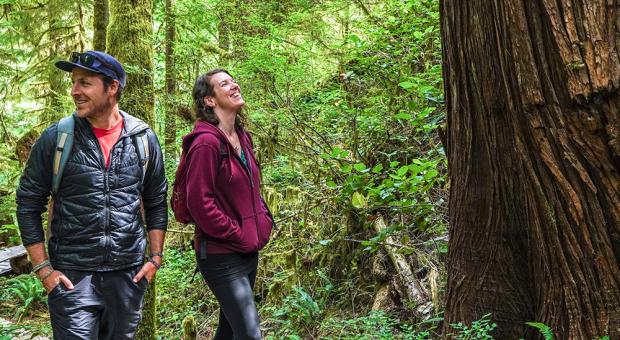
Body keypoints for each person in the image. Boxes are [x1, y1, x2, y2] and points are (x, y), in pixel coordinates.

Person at [16, 51, 168, 339]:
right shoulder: (57, 139)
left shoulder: (142, 139)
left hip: (128, 275)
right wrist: (44, 269)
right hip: (72, 277)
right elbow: (27, 203)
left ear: (112, 88)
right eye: (74, 83)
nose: (75, 91)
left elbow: (156, 198)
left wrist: (156, 257)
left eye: (84, 83)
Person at [184, 69, 274, 339]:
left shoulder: (242, 137)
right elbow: (199, 203)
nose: (234, 85)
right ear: (209, 100)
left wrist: (263, 221)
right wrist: (236, 233)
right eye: (224, 84)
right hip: (221, 254)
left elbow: (251, 190)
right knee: (249, 334)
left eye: (234, 80)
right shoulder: (206, 144)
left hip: (247, 250)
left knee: (229, 332)